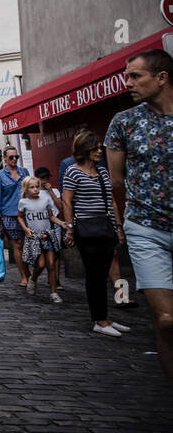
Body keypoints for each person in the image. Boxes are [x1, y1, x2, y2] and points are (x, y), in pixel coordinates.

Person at [104, 48, 173, 389]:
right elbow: (116, 180)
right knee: (165, 319)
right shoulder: (125, 123)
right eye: (126, 75)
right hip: (147, 228)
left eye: (135, 76)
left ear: (161, 78)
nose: (127, 82)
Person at [61, 131, 129, 338]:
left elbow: (111, 201)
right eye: (95, 148)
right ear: (84, 150)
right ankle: (99, 320)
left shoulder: (102, 172)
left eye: (100, 147)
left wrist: (118, 227)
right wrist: (70, 228)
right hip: (87, 229)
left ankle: (106, 317)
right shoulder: (73, 172)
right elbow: (67, 201)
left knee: (107, 271)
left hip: (105, 226)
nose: (100, 151)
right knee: (95, 276)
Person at [17, 176, 67, 303]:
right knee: (40, 264)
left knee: (51, 264)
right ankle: (33, 279)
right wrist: (26, 229)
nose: (35, 190)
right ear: (26, 189)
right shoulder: (23, 202)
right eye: (32, 187)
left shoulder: (46, 200)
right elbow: (20, 217)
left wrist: (61, 223)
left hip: (47, 235)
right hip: (34, 237)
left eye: (37, 187)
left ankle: (53, 292)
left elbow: (51, 217)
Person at [0, 145, 29, 287]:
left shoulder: (24, 172)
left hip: (26, 213)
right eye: (11, 157)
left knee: (29, 243)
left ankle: (29, 271)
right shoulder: (0, 175)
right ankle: (24, 276)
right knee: (18, 244)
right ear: (5, 158)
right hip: (9, 214)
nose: (14, 159)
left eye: (16, 157)